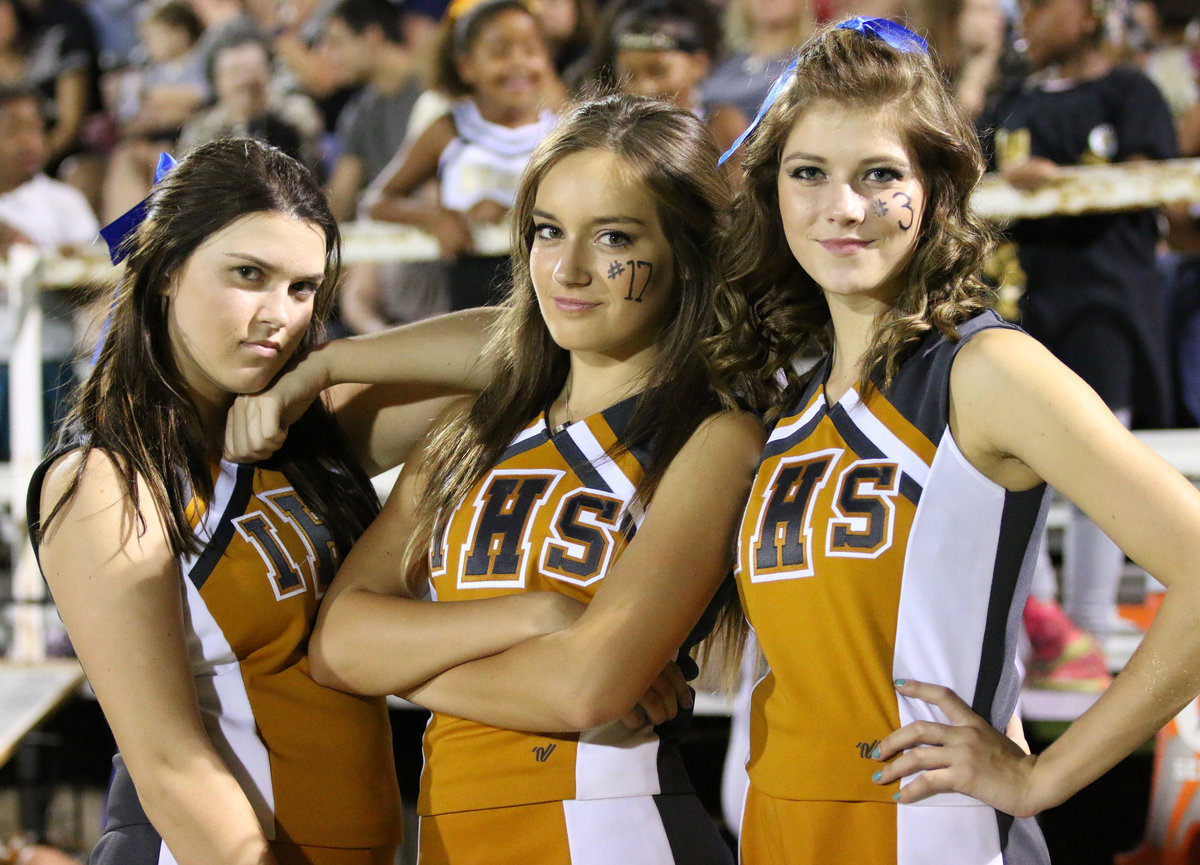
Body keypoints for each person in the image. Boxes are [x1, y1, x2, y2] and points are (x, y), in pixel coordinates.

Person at [708, 17, 1200, 863]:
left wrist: (1041, 777)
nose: (844, 207)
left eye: (880, 174)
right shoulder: (786, 398)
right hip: (779, 825)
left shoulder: (986, 370)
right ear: (774, 191)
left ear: (933, 187)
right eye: (809, 173)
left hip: (931, 834)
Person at [228, 93, 764, 865]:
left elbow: (583, 690)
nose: (569, 268)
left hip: (612, 831)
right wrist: (539, 616)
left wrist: (406, 658)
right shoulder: (475, 428)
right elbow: (338, 645)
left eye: (614, 236)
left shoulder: (714, 436)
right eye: (548, 231)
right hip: (453, 835)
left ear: (685, 251)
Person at [27, 138, 412, 865]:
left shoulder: (309, 433)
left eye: (303, 288)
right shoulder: (108, 481)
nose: (279, 314)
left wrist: (328, 364)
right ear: (168, 270)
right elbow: (170, 762)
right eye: (248, 274)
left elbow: (518, 354)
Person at [977, 0, 1179, 688]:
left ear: (1089, 13)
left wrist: (1061, 182)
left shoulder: (1131, 90)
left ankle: (1090, 623)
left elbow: (1158, 179)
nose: (1025, 18)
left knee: (1099, 463)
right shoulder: (1010, 102)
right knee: (1014, 461)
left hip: (1107, 305)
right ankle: (1044, 625)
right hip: (1021, 304)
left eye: (1040, 4)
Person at [363, 0, 561, 310]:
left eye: (532, 50)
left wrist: (516, 213)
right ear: (466, 66)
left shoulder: (565, 133)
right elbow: (376, 202)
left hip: (549, 296)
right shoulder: (449, 129)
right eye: (500, 52)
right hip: (471, 300)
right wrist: (436, 218)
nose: (519, 63)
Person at [0, 85, 98, 460]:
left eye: (37, 129)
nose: (29, 142)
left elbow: (93, 285)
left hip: (50, 362)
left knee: (53, 467)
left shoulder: (63, 202)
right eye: (13, 132)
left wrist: (36, 257)